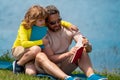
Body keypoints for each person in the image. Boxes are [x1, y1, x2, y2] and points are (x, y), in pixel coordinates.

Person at [35, 5, 108, 80]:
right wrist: (68, 54)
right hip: (46, 68)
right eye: (52, 23)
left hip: (63, 66)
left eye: (59, 20)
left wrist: (87, 45)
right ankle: (67, 78)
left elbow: (89, 49)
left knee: (82, 49)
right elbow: (51, 58)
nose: (57, 24)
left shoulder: (70, 29)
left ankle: (91, 76)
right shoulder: (43, 34)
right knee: (40, 55)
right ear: (46, 23)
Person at [12, 5, 78, 75]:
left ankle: (25, 64)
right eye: (40, 20)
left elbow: (58, 21)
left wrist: (69, 25)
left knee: (31, 73)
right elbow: (24, 43)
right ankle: (18, 64)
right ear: (33, 20)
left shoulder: (42, 24)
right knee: (37, 49)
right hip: (19, 49)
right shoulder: (24, 26)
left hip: (32, 53)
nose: (43, 22)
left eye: (44, 19)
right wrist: (41, 42)